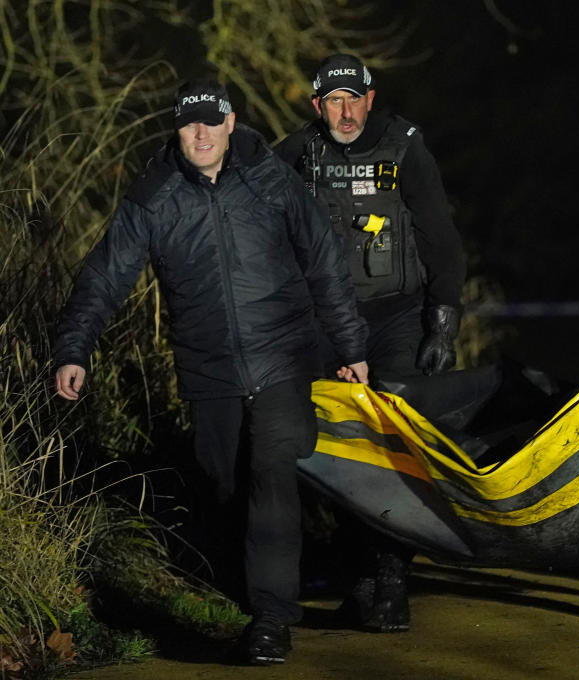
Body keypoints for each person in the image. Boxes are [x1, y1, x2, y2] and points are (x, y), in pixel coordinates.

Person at [53, 77, 369, 666]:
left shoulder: (271, 178)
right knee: (224, 486)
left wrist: (350, 346)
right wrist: (74, 349)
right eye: (188, 123)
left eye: (209, 121)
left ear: (229, 122)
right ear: (178, 130)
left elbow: (324, 260)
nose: (200, 133)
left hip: (283, 356)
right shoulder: (155, 195)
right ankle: (244, 601)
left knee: (271, 475)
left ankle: (272, 619)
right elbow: (104, 277)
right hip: (210, 370)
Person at [275, 54, 466, 634]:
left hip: (398, 318)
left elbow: (440, 236)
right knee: (337, 446)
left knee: (391, 444)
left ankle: (389, 576)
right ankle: (357, 570)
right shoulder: (293, 155)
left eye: (354, 98)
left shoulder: (405, 148)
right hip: (325, 324)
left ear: (370, 99)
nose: (346, 111)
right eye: (334, 100)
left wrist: (444, 319)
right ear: (317, 106)